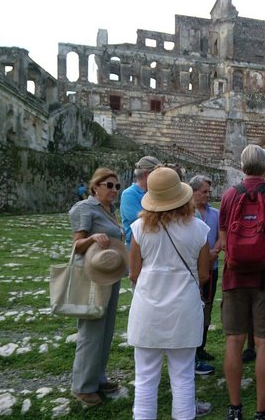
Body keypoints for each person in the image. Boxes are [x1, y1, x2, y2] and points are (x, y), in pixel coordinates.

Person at [127, 167, 212, 420]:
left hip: (147, 307)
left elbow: (134, 272)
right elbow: (205, 273)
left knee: (145, 378)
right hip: (184, 308)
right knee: (183, 376)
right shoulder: (198, 229)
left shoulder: (139, 228)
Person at [218, 144, 265, 420]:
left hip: (234, 277)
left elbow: (224, 240)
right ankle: (262, 412)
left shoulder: (228, 196)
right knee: (264, 344)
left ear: (242, 167)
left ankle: (234, 409)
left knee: (234, 342)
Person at [68, 168, 125, 406]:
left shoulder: (109, 211)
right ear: (96, 187)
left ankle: (98, 377)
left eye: (116, 186)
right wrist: (92, 238)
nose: (113, 190)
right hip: (92, 276)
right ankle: (83, 386)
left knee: (106, 329)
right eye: (109, 185)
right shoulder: (85, 209)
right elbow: (77, 243)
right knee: (91, 332)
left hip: (109, 274)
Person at [190, 174, 220, 375]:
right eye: (204, 192)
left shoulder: (215, 214)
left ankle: (200, 348)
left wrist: (213, 253)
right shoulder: (186, 214)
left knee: (207, 307)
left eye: (209, 192)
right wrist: (203, 257)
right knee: (192, 308)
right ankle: (190, 351)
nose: (208, 195)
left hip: (212, 266)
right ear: (193, 192)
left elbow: (221, 236)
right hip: (191, 269)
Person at [120, 155, 161, 247]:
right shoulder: (129, 194)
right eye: (157, 174)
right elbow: (141, 222)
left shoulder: (154, 193)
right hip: (136, 248)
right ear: (146, 174)